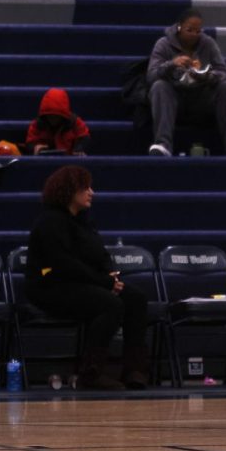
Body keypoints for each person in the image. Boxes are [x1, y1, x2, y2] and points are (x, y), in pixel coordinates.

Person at [25, 165, 149, 390]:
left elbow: (100, 255)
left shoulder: (83, 221)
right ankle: (91, 373)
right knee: (110, 304)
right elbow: (63, 265)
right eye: (85, 188)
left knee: (136, 299)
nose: (91, 192)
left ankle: (134, 370)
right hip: (50, 288)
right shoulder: (49, 222)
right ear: (69, 191)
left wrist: (111, 274)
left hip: (82, 284)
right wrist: (105, 282)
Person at [145, 7, 226, 157]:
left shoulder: (208, 43)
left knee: (224, 87)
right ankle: (163, 143)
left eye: (198, 31)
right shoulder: (163, 44)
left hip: (201, 100)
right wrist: (172, 64)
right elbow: (151, 75)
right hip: (174, 101)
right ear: (179, 27)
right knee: (159, 86)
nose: (194, 35)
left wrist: (206, 75)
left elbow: (224, 72)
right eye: (190, 30)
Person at [25, 87, 91, 155]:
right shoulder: (37, 124)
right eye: (50, 115)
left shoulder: (74, 122)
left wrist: (79, 149)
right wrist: (35, 147)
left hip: (70, 162)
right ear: (45, 115)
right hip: (44, 162)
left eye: (56, 116)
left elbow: (84, 137)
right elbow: (30, 143)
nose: (53, 119)